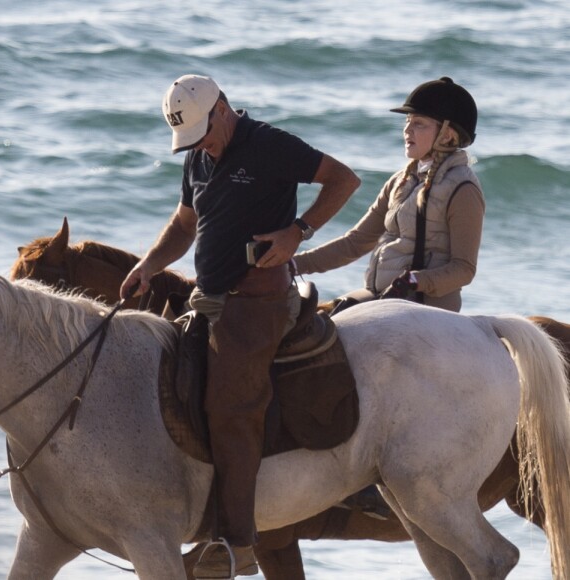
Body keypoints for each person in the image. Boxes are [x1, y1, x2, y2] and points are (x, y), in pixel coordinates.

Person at [120, 74, 360, 578]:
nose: (201, 146)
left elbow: (344, 179)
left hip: (259, 300)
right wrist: (147, 266)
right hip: (209, 296)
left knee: (231, 406)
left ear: (222, 109)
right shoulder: (198, 156)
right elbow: (185, 225)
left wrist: (299, 231)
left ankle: (235, 545)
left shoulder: (267, 144)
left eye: (204, 133)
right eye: (190, 141)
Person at [293, 76, 485, 314]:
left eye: (419, 123)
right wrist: (293, 264)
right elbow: (354, 243)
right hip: (381, 296)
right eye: (407, 121)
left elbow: (464, 269)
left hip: (426, 307)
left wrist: (416, 281)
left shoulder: (463, 188)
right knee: (320, 321)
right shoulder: (400, 181)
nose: (407, 130)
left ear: (446, 135)